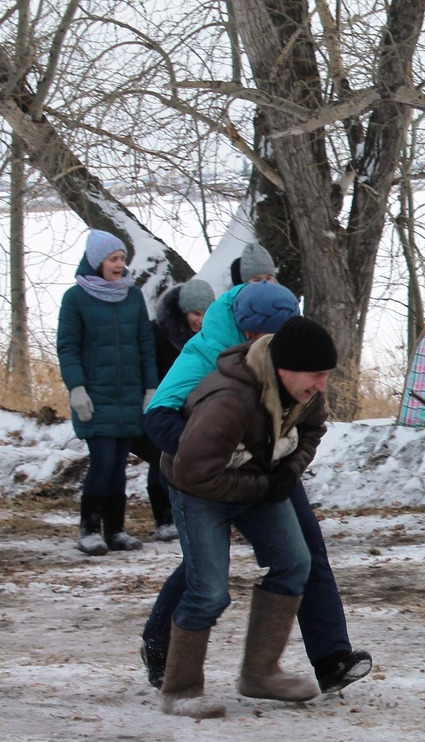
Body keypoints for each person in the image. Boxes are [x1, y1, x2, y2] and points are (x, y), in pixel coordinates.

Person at [141, 275, 372, 696]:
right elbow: (158, 417)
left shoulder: (297, 364)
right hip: (211, 470)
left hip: (268, 462)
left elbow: (313, 423)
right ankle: (161, 646)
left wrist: (282, 468)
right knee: (205, 570)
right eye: (272, 336)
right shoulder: (208, 355)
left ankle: (329, 656)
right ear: (249, 332)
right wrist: (229, 457)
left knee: (302, 553)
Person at [157, 317, 336, 718]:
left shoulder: (305, 394)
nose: (321, 385)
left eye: (326, 375)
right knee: (209, 590)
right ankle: (180, 690)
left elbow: (314, 430)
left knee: (295, 564)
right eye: (316, 375)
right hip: (197, 489)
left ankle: (261, 673)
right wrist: (261, 487)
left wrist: (289, 471)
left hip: (255, 480)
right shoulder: (229, 401)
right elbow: (193, 472)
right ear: (285, 368)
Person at [57, 230, 158, 556]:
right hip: (95, 395)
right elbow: (68, 347)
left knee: (118, 466)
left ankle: (115, 530)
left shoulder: (132, 296)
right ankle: (88, 529)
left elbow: (145, 345)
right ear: (97, 261)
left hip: (129, 394)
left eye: (122, 259)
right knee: (103, 461)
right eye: (114, 259)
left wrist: (150, 388)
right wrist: (77, 388)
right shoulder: (75, 298)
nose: (120, 265)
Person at [130, 278, 216, 541]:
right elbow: (146, 365)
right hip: (161, 407)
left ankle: (190, 515)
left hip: (196, 409)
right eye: (195, 313)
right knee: (160, 462)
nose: (200, 320)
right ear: (183, 312)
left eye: (206, 313)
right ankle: (163, 518)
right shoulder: (158, 333)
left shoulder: (213, 337)